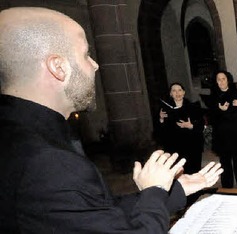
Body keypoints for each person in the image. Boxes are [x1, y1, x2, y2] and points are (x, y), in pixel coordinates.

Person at [0, 7, 223, 232]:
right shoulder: (47, 161)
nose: (95, 65)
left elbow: (97, 214)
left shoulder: (20, 135)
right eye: (86, 54)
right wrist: (154, 190)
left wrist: (175, 190)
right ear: (58, 67)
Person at [209, 71, 237, 189]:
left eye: (223, 79)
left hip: (236, 132)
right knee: (224, 161)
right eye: (219, 79)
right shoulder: (213, 97)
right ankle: (227, 187)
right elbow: (211, 117)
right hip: (222, 134)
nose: (221, 81)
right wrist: (219, 110)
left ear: (228, 80)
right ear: (216, 82)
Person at [159, 82, 205, 175]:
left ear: (184, 92)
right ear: (171, 94)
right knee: (178, 175)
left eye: (180, 90)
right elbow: (161, 132)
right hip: (174, 148)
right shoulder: (165, 109)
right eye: (174, 91)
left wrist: (191, 126)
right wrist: (161, 119)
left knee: (193, 174)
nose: (177, 93)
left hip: (192, 146)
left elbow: (201, 125)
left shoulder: (193, 107)